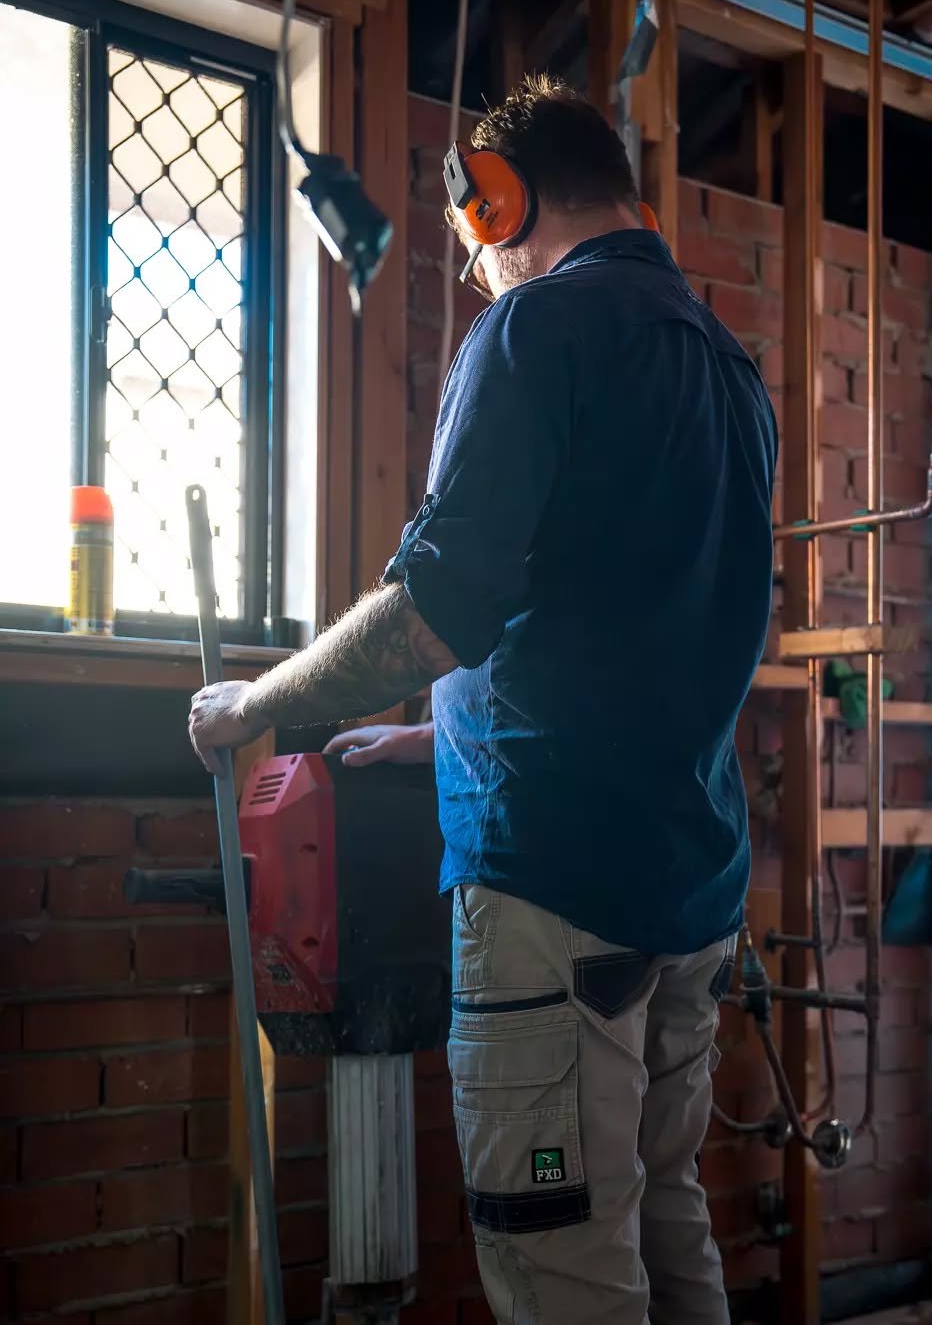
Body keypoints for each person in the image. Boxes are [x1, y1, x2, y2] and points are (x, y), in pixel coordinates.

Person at [189, 75, 777, 1325]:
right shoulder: (728, 366)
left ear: (498, 201)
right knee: (665, 1220)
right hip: (689, 887)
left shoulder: (535, 332)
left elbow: (439, 610)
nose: (480, 276)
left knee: (561, 1253)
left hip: (556, 891)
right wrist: (443, 728)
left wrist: (259, 708)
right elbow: (624, 612)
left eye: (473, 245)